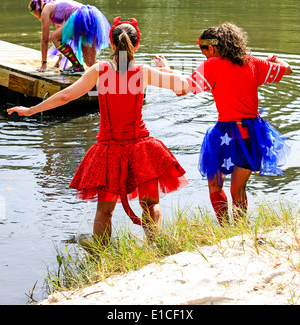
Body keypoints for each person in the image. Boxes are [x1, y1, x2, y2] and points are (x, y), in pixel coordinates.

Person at [7, 17, 188, 244]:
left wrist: (32, 109)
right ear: (137, 45)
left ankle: (101, 254)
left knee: (105, 210)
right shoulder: (144, 72)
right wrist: (168, 70)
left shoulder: (99, 70)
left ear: (111, 45)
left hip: (109, 149)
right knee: (151, 204)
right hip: (140, 147)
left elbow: (66, 96)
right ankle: (156, 246)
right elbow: (184, 85)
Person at [155, 22, 292, 225]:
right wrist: (272, 59)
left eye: (205, 53)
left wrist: (165, 69)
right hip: (252, 135)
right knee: (238, 189)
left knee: (215, 187)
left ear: (212, 48)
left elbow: (180, 89)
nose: (205, 58)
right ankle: (239, 229)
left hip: (226, 134)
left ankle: (225, 228)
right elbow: (287, 69)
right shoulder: (253, 63)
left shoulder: (213, 65)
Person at [28, 0, 111, 75]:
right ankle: (113, 70)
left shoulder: (46, 10)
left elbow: (45, 39)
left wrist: (44, 63)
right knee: (90, 62)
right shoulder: (55, 9)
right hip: (90, 17)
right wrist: (59, 60)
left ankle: (77, 65)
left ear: (36, 9)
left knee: (53, 37)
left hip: (81, 16)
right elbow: (62, 41)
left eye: (32, 13)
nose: (34, 15)